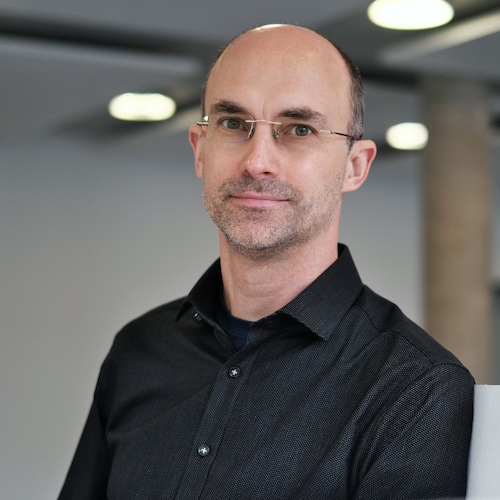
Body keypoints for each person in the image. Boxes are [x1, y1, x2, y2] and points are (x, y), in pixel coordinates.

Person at [59, 24, 474, 500]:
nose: (257, 161)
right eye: (233, 124)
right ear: (200, 150)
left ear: (354, 166)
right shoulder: (141, 349)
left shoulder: (415, 388)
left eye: (299, 129)